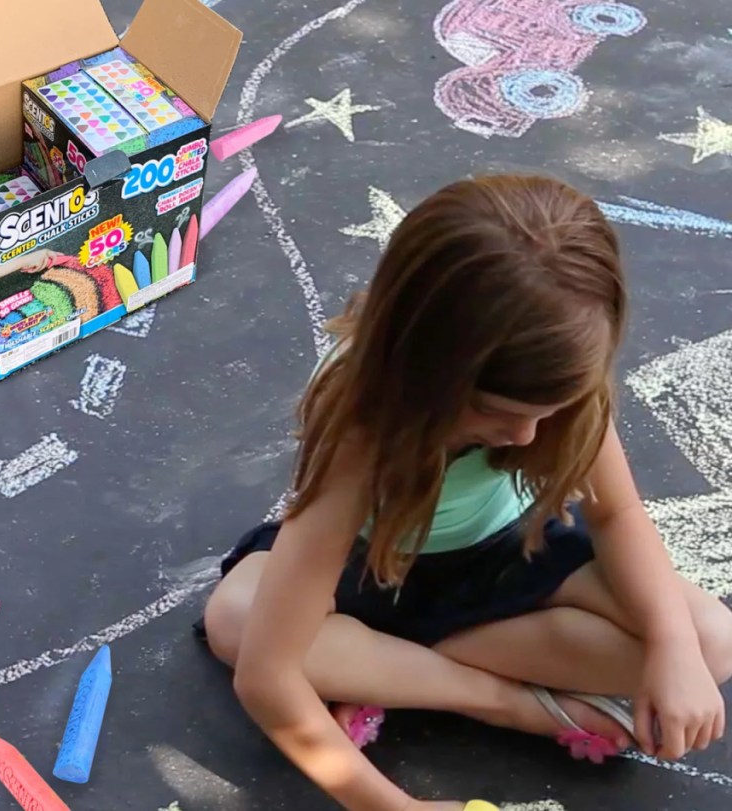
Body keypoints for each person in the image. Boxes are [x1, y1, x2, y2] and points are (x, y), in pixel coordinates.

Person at [197, 175, 732, 811]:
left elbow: (615, 516)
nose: (528, 434)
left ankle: (399, 664)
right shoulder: (364, 425)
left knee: (709, 641)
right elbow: (266, 677)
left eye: (550, 411)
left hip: (501, 557)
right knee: (234, 621)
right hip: (363, 573)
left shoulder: (559, 370)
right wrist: (395, 807)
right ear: (419, 369)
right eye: (495, 411)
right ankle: (495, 698)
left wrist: (671, 649)